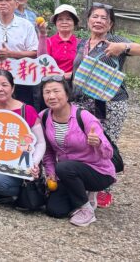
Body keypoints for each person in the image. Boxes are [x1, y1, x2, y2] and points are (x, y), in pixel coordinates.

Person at [71, 2, 140, 208]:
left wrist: (123, 47)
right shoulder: (82, 43)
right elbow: (78, 71)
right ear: (88, 21)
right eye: (95, 17)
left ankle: (105, 187)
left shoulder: (115, 40)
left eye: (104, 18)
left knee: (105, 143)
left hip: (110, 103)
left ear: (110, 23)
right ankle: (88, 182)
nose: (99, 21)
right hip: (82, 103)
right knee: (85, 142)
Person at [40, 76, 116, 226]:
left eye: (56, 91)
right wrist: (51, 173)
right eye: (47, 92)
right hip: (67, 173)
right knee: (54, 210)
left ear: (67, 94)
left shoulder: (84, 117)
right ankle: (83, 195)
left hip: (98, 172)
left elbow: (109, 154)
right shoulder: (44, 117)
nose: (52, 96)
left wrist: (98, 143)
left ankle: (86, 209)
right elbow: (47, 150)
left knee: (64, 167)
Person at [0, 70, 45, 206]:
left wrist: (34, 163)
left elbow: (40, 142)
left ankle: (13, 191)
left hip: (21, 165)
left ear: (13, 88)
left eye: (4, 85)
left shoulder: (26, 111)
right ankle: (0, 192)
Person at [37, 4, 80, 75]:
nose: (64, 22)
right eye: (60, 19)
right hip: (52, 81)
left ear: (74, 23)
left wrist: (68, 76)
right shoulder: (49, 41)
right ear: (56, 23)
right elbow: (42, 61)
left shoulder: (80, 43)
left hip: (74, 82)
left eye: (68, 19)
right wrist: (42, 34)